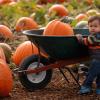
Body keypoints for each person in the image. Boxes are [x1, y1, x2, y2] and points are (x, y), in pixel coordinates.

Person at [76, 15, 100, 95]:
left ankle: (86, 87)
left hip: (97, 60)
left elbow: (86, 41)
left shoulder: (96, 37)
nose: (93, 28)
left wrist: (80, 38)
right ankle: (99, 88)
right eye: (91, 26)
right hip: (97, 59)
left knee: (91, 74)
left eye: (95, 26)